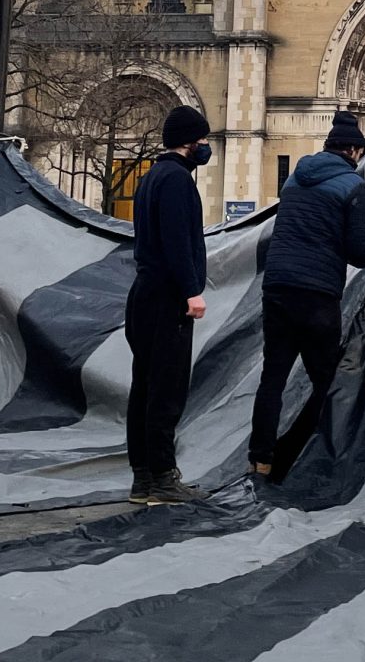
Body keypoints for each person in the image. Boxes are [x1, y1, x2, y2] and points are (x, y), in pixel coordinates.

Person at [248, 111, 365, 476]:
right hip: (317, 294)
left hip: (277, 286)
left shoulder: (294, 179)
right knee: (327, 379)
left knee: (272, 377)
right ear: (354, 150)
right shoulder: (354, 187)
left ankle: (260, 459)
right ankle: (310, 457)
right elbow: (356, 249)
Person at [125, 105, 211, 504]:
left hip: (144, 294)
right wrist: (192, 290)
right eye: (203, 140)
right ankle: (163, 477)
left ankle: (143, 477)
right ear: (189, 141)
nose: (206, 146)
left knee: (144, 386)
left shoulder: (150, 178)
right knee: (166, 389)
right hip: (167, 298)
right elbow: (177, 240)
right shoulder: (177, 181)